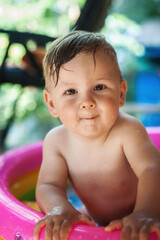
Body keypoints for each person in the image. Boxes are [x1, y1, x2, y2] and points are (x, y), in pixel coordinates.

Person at [34, 30, 160, 240]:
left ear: (120, 94)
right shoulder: (56, 142)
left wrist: (146, 213)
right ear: (52, 103)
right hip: (99, 220)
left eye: (99, 87)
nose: (87, 101)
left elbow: (153, 169)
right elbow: (49, 185)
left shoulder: (128, 130)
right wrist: (60, 208)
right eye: (71, 92)